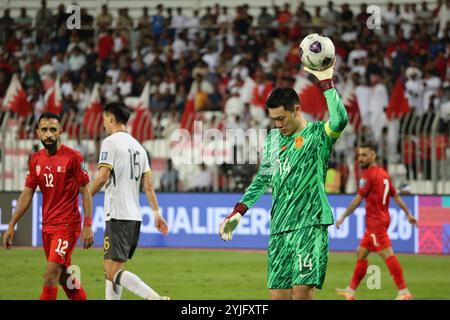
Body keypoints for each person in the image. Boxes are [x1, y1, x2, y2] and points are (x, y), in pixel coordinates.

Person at [219, 60, 348, 300]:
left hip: (309, 223)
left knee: (301, 294)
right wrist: (238, 212)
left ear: (297, 110)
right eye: (274, 119)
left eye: (282, 118)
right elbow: (262, 180)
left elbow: (340, 120)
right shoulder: (273, 139)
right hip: (279, 226)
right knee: (278, 297)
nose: (278, 124)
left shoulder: (318, 134)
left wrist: (326, 81)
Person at [2, 112, 93, 300]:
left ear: (60, 131)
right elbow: (27, 193)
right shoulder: (36, 159)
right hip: (48, 227)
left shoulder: (73, 157)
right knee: (64, 276)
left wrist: (88, 225)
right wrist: (12, 224)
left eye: (53, 129)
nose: (49, 134)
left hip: (67, 225)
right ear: (38, 133)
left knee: (50, 275)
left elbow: (86, 191)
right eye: (44, 130)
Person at [90, 102, 170, 300]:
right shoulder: (139, 147)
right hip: (134, 216)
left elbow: (102, 178)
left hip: (118, 213)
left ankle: (156, 299)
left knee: (110, 271)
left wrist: (84, 197)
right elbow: (149, 186)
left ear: (111, 118)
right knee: (114, 269)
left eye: (104, 120)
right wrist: (157, 214)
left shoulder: (110, 142)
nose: (104, 124)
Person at [335, 143, 417, 300]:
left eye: (364, 155)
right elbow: (396, 195)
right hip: (382, 219)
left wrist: (343, 216)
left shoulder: (369, 175)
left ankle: (404, 292)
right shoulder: (383, 173)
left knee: (387, 254)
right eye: (359, 155)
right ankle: (350, 292)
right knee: (361, 252)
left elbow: (358, 199)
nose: (360, 159)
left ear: (373, 155)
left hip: (376, 222)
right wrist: (408, 214)